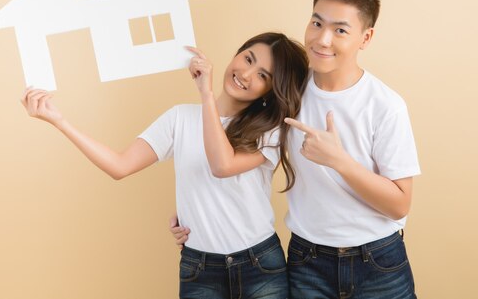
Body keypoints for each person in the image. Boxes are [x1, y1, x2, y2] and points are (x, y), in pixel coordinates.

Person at [172, 0, 421, 299]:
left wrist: (340, 162)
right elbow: (238, 163)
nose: (322, 39)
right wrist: (196, 213)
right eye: (317, 23)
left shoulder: (386, 106)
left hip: (378, 261)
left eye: (340, 30)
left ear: (366, 37)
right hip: (308, 263)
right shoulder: (286, 95)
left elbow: (399, 205)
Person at [21, 32, 309, 299]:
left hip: (259, 264)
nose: (245, 74)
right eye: (247, 58)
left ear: (270, 91)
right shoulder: (179, 119)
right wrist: (59, 121)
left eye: (262, 75)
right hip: (200, 268)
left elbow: (222, 164)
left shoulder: (269, 131)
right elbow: (119, 166)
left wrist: (206, 95)